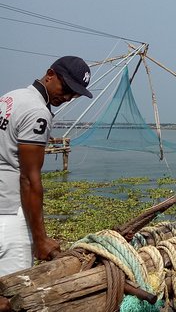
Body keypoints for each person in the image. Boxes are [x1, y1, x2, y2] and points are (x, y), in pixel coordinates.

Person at [0, 56, 93, 277]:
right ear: (50, 74)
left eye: (75, 93)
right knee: (15, 294)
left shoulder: (10, 98)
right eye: (66, 87)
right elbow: (29, 179)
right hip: (9, 215)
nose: (68, 97)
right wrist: (40, 239)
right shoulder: (38, 112)